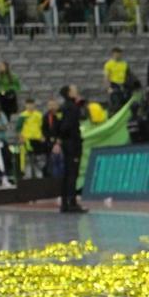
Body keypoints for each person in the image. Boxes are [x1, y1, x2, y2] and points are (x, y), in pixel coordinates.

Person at [56, 85, 87, 213]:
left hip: (66, 143)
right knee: (72, 173)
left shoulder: (63, 107)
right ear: (69, 93)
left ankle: (65, 203)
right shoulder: (72, 108)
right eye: (74, 90)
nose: (77, 91)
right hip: (72, 144)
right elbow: (67, 126)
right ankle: (72, 202)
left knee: (67, 173)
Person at [17, 98, 46, 179]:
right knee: (27, 158)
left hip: (37, 139)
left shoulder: (39, 115)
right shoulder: (22, 116)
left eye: (31, 104)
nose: (30, 106)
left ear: (34, 105)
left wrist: (42, 136)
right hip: (27, 140)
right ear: (25, 105)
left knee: (38, 158)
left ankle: (39, 174)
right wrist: (20, 137)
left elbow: (43, 127)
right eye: (28, 104)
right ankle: (28, 175)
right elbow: (18, 128)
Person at [104, 48, 130, 113]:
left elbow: (128, 76)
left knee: (123, 104)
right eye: (116, 54)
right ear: (113, 54)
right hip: (114, 85)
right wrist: (108, 88)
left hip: (123, 85)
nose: (118, 56)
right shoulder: (108, 64)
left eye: (119, 54)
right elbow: (106, 77)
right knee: (115, 104)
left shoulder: (124, 64)